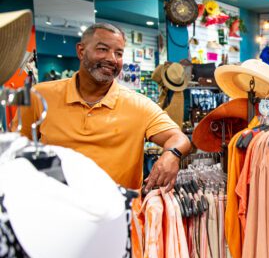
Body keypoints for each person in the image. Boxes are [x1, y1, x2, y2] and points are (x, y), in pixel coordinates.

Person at [16, 22, 191, 192]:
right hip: (56, 208)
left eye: (119, 53)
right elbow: (16, 149)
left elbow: (178, 138)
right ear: (81, 50)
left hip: (118, 214)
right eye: (103, 49)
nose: (111, 59)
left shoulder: (139, 105)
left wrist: (172, 154)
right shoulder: (39, 96)